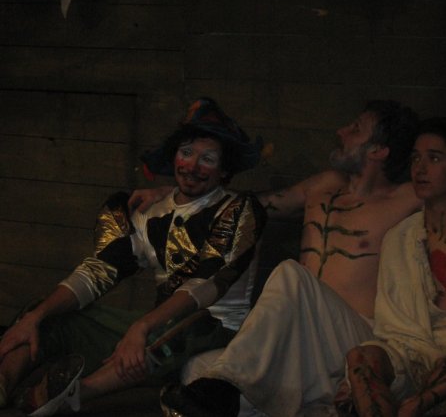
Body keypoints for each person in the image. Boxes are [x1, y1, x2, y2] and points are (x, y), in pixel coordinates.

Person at [132, 99, 420, 417]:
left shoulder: (407, 198)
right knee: (198, 370)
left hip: (354, 340)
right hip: (304, 342)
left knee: (291, 276)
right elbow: (248, 208)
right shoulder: (324, 185)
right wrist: (177, 196)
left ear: (379, 150)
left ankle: (227, 390)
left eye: (355, 129)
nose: (341, 132)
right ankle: (244, 395)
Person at [0, 97, 266, 415]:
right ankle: (3, 383)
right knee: (47, 314)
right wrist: (37, 316)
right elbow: (100, 270)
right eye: (186, 153)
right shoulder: (149, 210)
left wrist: (141, 327)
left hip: (217, 328)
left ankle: (74, 395)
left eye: (207, 159)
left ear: (223, 171)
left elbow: (206, 285)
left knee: (185, 327)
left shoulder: (238, 210)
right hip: (158, 325)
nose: (193, 166)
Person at [342, 118, 446, 417]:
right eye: (415, 158)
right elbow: (393, 328)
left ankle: (418, 405)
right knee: (361, 358)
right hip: (411, 353)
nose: (420, 168)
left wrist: (424, 398)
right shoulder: (400, 237)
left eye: (434, 158)